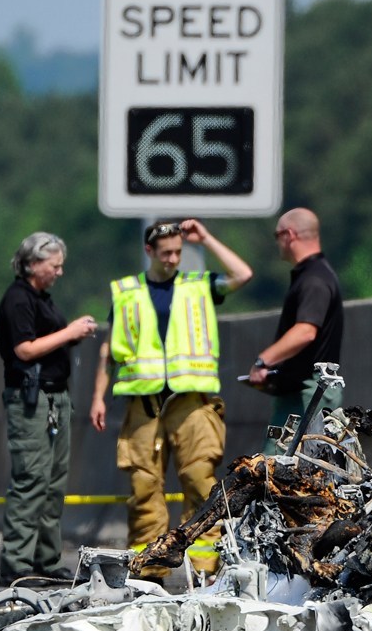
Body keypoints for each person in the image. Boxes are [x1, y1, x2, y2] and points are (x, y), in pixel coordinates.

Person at [89, 219, 252, 581]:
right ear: (149, 252)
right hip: (144, 403)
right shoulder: (126, 292)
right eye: (166, 253)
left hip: (190, 400)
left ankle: (205, 569)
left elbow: (243, 274)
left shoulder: (198, 286)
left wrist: (207, 238)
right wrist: (98, 397)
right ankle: (149, 572)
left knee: (200, 482)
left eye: (178, 252)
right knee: (144, 488)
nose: (173, 259)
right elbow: (108, 351)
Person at [0, 232, 97, 587]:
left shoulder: (42, 299)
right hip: (32, 399)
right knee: (30, 481)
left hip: (56, 398)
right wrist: (70, 332)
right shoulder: (18, 300)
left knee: (53, 484)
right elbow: (23, 350)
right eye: (55, 266)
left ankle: (47, 559)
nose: (59, 272)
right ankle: (16, 562)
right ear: (34, 264)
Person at [246, 208, 344, 450]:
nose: (277, 243)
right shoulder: (315, 275)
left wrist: (263, 361)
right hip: (300, 392)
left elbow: (306, 331)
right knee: (286, 470)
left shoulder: (314, 279)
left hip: (308, 394)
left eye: (277, 236)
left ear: (289, 235)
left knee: (285, 470)